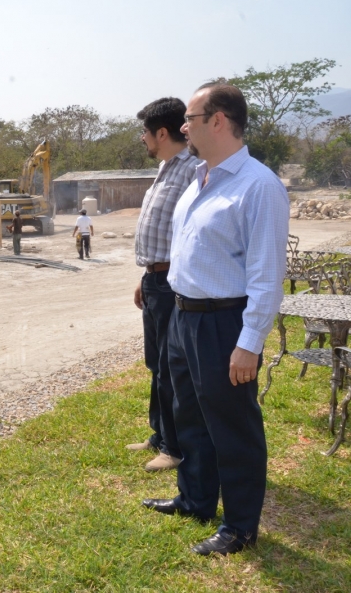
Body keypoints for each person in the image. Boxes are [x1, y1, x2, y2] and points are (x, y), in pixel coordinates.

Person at [141, 82, 289, 556]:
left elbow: (267, 274)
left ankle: (240, 526)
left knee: (233, 425)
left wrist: (249, 342)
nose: (183, 127)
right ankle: (196, 499)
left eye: (190, 118)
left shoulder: (258, 186)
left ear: (218, 121)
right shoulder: (198, 178)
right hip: (184, 316)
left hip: (224, 322)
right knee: (189, 416)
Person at [127, 97, 200, 473]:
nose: (142, 139)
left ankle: (174, 447)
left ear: (161, 132)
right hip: (155, 279)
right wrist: (146, 276)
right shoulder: (165, 168)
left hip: (173, 283)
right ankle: (158, 434)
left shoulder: (192, 169)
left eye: (145, 132)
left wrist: (166, 277)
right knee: (156, 364)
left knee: (173, 369)